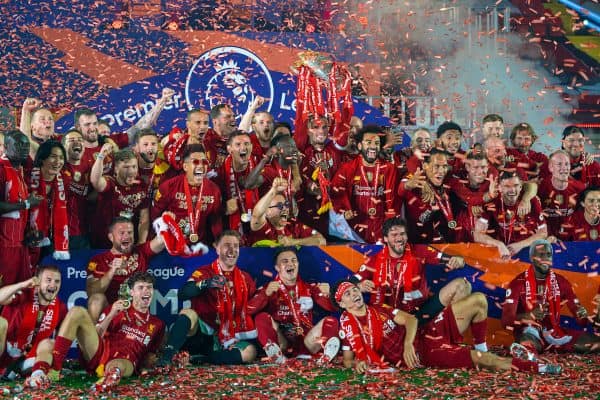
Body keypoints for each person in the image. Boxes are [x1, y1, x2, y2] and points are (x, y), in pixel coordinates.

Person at [334, 280, 560, 374]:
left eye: (354, 290)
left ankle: (482, 344)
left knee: (479, 298)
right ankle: (538, 368)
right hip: (428, 353)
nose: (354, 295)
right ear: (341, 303)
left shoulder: (378, 308)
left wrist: (406, 345)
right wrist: (358, 364)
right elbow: (348, 359)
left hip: (426, 333)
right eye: (348, 294)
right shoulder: (348, 327)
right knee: (483, 360)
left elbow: (411, 320)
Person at [50, 272, 165, 392]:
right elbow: (97, 334)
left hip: (126, 361)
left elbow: (151, 355)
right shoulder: (117, 309)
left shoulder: (157, 324)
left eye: (149, 288)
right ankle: (54, 369)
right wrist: (111, 315)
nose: (146, 291)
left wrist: (150, 363)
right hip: (100, 353)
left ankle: (108, 381)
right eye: (141, 287)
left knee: (118, 364)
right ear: (131, 292)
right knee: (77, 311)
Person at [157, 231, 258, 367]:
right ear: (216, 248)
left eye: (236, 246)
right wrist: (206, 283)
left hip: (230, 335)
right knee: (188, 314)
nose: (232, 250)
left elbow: (251, 307)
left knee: (250, 352)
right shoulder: (205, 272)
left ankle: (201, 359)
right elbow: (183, 293)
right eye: (227, 245)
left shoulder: (246, 278)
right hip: (203, 334)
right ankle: (166, 358)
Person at [353, 217, 468, 325]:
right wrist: (359, 286)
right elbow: (347, 284)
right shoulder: (374, 260)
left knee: (462, 285)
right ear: (385, 238)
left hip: (421, 310)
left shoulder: (418, 251)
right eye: (394, 235)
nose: (399, 238)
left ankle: (444, 335)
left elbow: (450, 259)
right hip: (392, 317)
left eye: (402, 234)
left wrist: (458, 260)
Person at [501, 239, 600, 355]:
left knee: (595, 342)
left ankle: (558, 348)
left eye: (548, 255)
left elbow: (581, 320)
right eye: (541, 255)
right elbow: (505, 321)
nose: (545, 259)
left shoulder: (561, 282)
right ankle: (529, 355)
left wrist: (582, 315)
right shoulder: (517, 283)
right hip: (528, 331)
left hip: (556, 334)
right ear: (532, 258)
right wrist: (529, 315)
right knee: (528, 341)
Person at [248, 247, 340, 364]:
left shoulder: (310, 288)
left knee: (331, 320)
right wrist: (265, 295)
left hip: (307, 342)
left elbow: (332, 308)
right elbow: (248, 310)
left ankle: (326, 357)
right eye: (285, 261)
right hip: (283, 343)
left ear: (298, 264)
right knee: (261, 317)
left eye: (293, 260)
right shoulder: (268, 288)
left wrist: (328, 295)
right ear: (277, 268)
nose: (290, 263)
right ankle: (277, 356)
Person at [86, 216, 166, 322]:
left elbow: (160, 241)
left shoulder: (141, 252)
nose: (127, 236)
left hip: (135, 311)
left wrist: (166, 223)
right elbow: (92, 292)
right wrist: (112, 271)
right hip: (110, 312)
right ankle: (93, 338)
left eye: (130, 232)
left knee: (160, 328)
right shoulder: (98, 260)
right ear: (111, 237)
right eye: (122, 233)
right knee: (96, 299)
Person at [0, 265, 67, 388]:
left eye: (57, 281)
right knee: (0, 323)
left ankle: (38, 376)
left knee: (50, 343)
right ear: (38, 282)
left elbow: (63, 339)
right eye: (48, 280)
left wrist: (55, 366)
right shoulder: (24, 295)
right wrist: (22, 285)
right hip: (5, 352)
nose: (53, 285)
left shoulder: (60, 307)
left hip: (29, 360)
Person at [331, 125, 397, 243]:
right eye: (368, 142)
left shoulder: (389, 169)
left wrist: (388, 230)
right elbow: (336, 194)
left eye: (376, 143)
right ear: (360, 145)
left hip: (380, 232)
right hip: (353, 233)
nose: (373, 146)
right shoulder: (347, 169)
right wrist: (343, 212)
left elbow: (392, 202)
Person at [151, 144, 222, 252]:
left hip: (198, 247)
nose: (201, 166)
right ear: (185, 167)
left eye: (204, 162)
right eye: (195, 162)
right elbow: (154, 216)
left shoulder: (214, 190)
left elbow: (216, 220)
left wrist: (218, 241)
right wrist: (163, 219)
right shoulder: (169, 186)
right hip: (169, 247)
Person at [474, 171, 547, 258]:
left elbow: (543, 232)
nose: (512, 190)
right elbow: (477, 234)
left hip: (526, 249)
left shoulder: (532, 201)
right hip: (502, 251)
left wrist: (520, 245)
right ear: (500, 188)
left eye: (515, 185)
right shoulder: (492, 202)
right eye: (507, 186)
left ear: (520, 186)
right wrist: (499, 244)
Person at [0, 130, 40, 285]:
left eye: (26, 144)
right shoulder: (2, 168)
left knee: (20, 292)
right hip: (4, 245)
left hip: (19, 244)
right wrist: (26, 204)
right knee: (4, 293)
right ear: (6, 146)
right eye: (19, 144)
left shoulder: (19, 170)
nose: (24, 148)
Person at [90, 147, 150, 248]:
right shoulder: (110, 183)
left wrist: (141, 243)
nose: (131, 171)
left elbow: (144, 219)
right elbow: (95, 181)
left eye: (134, 166)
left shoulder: (141, 185)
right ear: (116, 169)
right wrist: (100, 157)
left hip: (127, 243)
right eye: (126, 167)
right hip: (104, 244)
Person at [397, 149, 458, 243]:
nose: (441, 171)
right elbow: (401, 189)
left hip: (445, 241)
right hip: (418, 243)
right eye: (436, 166)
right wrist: (409, 184)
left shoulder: (447, 181)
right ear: (425, 166)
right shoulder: (416, 177)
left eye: (444, 166)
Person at [215, 130, 265, 241]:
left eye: (247, 144)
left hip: (257, 225)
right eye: (238, 144)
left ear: (251, 146)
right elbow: (209, 207)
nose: (243, 148)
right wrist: (224, 208)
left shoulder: (260, 165)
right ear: (229, 149)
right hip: (229, 228)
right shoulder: (219, 173)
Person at [26, 140, 69, 266]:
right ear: (43, 158)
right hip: (28, 237)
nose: (58, 162)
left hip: (52, 240)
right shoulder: (27, 176)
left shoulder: (64, 180)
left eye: (61, 158)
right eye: (53, 157)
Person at [250, 177, 326, 246]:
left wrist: (293, 242)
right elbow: (256, 214)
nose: (285, 209)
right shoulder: (262, 227)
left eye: (286, 205)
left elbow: (321, 240)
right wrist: (273, 190)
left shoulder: (294, 226)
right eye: (280, 206)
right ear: (267, 212)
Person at [537, 150, 585, 238]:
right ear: (551, 167)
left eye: (567, 164)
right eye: (559, 164)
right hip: (546, 238)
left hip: (571, 239)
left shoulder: (580, 188)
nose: (564, 168)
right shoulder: (540, 187)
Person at [61, 130, 92, 250]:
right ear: (63, 146)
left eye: (80, 140)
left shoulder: (90, 167)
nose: (76, 142)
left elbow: (93, 194)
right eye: (71, 140)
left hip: (83, 233)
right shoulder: (58, 165)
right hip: (60, 232)